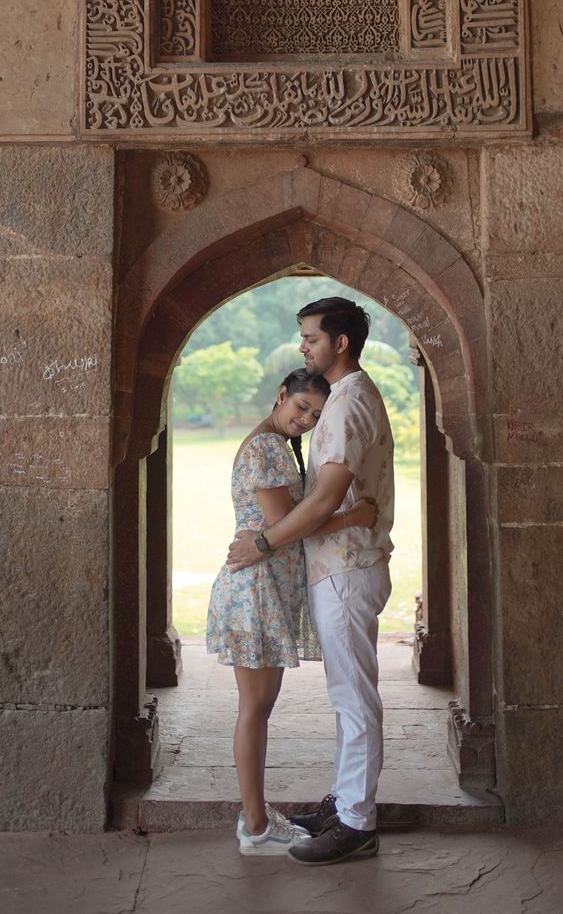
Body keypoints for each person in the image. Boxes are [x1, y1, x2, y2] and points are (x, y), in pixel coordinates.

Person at [227, 297, 395, 866]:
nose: (303, 346)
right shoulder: (341, 401)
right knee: (345, 695)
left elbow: (324, 498)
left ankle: (356, 821)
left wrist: (265, 543)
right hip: (335, 562)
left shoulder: (346, 405)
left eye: (310, 338)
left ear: (339, 343)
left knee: (353, 698)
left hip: (347, 565)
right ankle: (346, 803)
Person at [207, 368, 378, 856]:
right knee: (255, 710)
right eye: (300, 407)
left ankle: (256, 819)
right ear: (281, 396)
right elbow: (285, 526)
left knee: (258, 709)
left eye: (316, 415)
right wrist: (355, 517)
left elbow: (279, 529)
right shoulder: (265, 449)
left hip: (264, 587)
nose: (305, 420)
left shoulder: (275, 447)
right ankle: (256, 828)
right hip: (256, 592)